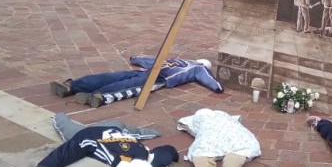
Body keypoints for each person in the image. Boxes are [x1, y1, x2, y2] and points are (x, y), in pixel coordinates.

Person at [32, 112, 179, 167]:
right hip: (91, 134)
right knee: (65, 126)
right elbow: (68, 150)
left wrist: (173, 153)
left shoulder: (150, 161)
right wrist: (47, 166)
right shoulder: (93, 143)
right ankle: (59, 115)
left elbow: (166, 151)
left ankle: (144, 132)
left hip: (118, 131)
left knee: (123, 127)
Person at [49, 55, 224, 108]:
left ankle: (72, 85)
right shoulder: (197, 68)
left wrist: (136, 59)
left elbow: (152, 59)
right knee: (129, 86)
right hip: (159, 78)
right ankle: (99, 95)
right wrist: (218, 88)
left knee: (115, 75)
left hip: (148, 69)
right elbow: (207, 78)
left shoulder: (177, 59)